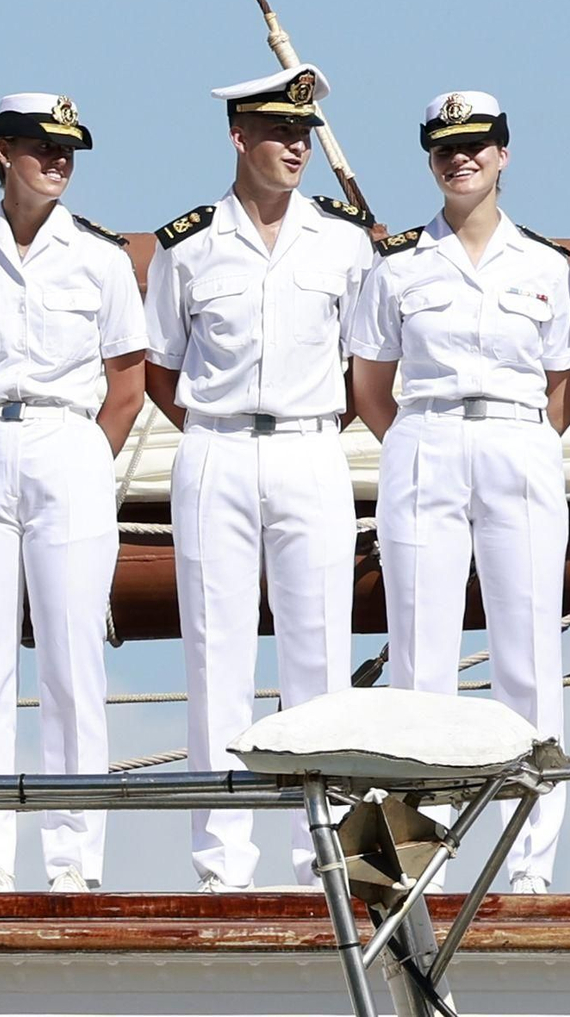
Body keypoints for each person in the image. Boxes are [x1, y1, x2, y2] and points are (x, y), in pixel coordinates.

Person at [144, 64, 375, 892]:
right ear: (238, 136)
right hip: (216, 447)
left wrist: (304, 426)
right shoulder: (188, 246)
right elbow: (162, 371)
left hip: (312, 446)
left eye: (305, 133)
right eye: (280, 132)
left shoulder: (344, 242)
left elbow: (364, 366)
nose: (296, 147)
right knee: (216, 655)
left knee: (321, 654)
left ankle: (323, 862)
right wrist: (224, 427)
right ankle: (222, 864)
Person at [347, 91, 570, 894]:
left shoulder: (545, 266)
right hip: (426, 438)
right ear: (430, 158)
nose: (462, 157)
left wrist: (511, 442)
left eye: (478, 143)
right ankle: (421, 859)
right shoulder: (400, 267)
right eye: (445, 145)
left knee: (529, 653)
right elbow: (371, 385)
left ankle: (529, 864)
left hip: (519, 439)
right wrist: (423, 444)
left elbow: (561, 386)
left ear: (504, 155)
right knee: (420, 652)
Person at [0, 93, 147, 893]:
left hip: (69, 442)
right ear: (1, 153)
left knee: (72, 657)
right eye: (41, 147)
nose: (58, 160)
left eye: (68, 149)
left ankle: (74, 862)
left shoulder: (101, 258)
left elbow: (127, 383)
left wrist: (83, 454)